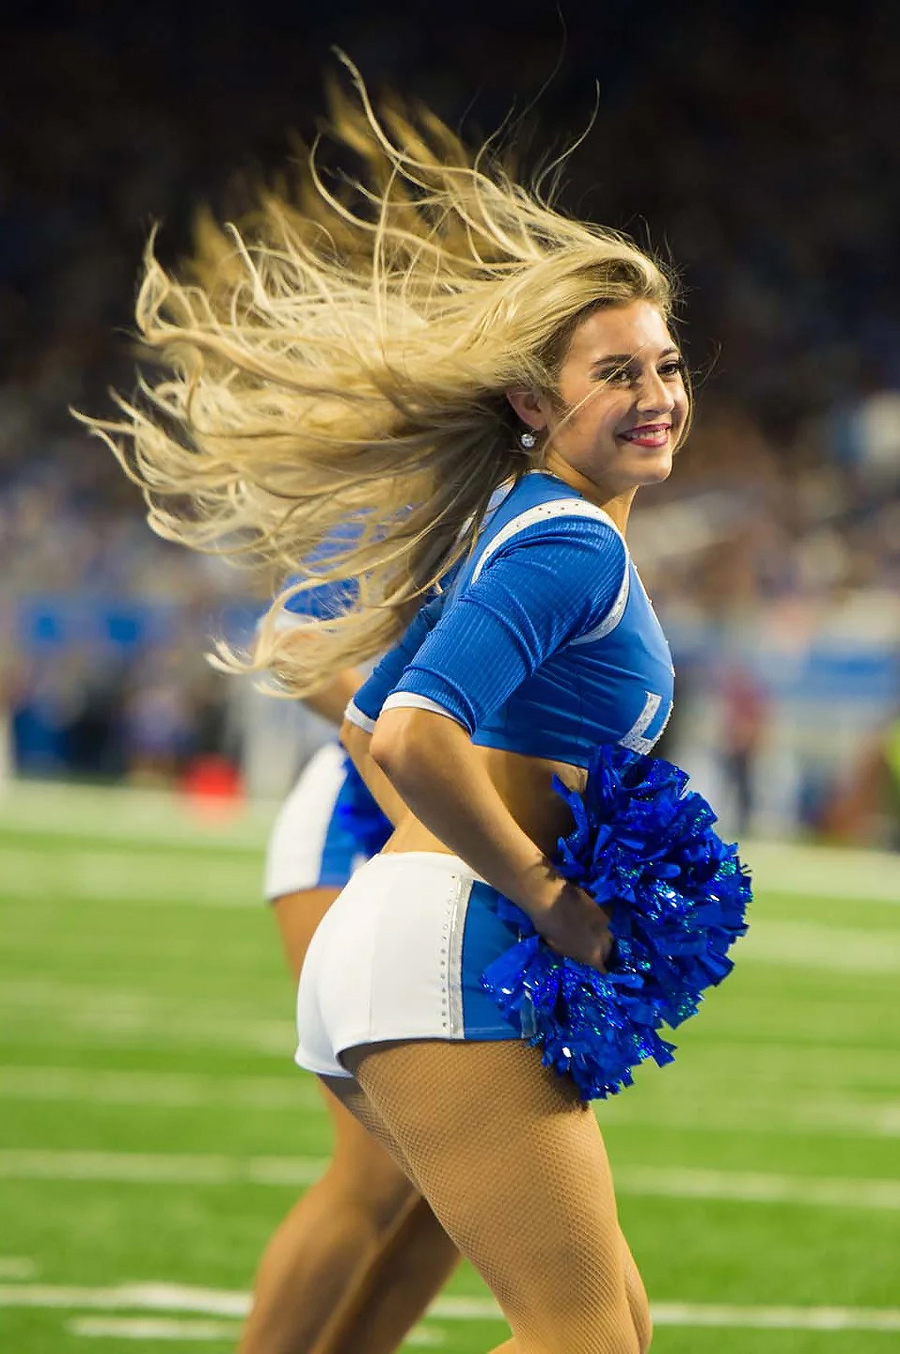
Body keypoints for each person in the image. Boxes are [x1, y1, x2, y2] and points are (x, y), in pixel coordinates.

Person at [89, 62, 718, 1353]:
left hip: (401, 942)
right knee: (586, 1338)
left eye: (666, 362)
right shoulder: (570, 543)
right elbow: (416, 730)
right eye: (618, 373)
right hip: (446, 951)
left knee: (617, 1324)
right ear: (538, 404)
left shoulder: (524, 522)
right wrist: (546, 893)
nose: (657, 393)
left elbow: (373, 714)